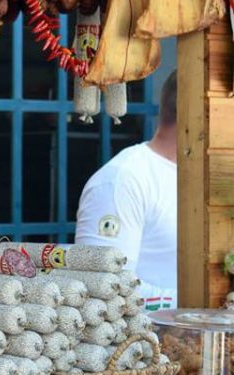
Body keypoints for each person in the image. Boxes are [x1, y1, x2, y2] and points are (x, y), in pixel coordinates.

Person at [75, 72, 177, 310]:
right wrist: (203, 308)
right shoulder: (123, 180)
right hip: (143, 344)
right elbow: (102, 288)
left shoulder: (217, 178)